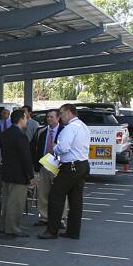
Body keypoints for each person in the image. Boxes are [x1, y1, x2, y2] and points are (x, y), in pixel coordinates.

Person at [39, 103, 90, 240]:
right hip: (82, 164)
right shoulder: (83, 126)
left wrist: (55, 148)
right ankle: (73, 231)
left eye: (61, 114)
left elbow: (64, 148)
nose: (60, 117)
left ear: (68, 112)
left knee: (55, 196)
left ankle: (52, 230)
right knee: (75, 200)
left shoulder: (70, 128)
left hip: (70, 166)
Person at [0, 109, 36, 237]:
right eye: (25, 118)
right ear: (21, 119)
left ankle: (4, 226)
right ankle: (13, 228)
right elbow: (25, 157)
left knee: (6, 202)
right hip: (19, 174)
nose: (26, 121)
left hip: (6, 172)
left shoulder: (4, 134)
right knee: (16, 203)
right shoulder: (21, 136)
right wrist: (30, 175)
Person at [31, 109, 65, 228]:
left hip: (59, 166)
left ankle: (60, 218)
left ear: (58, 118)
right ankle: (44, 217)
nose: (49, 119)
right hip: (44, 166)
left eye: (51, 117)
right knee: (43, 193)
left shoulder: (64, 131)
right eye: (48, 117)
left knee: (59, 193)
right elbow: (36, 149)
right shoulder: (42, 131)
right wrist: (36, 167)